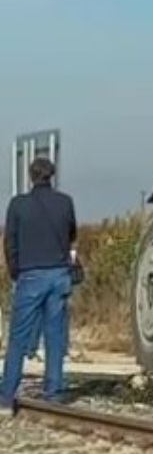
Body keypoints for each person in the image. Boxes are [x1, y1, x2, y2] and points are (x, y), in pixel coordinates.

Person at [0, 157, 77, 412]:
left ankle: (7, 396)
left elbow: (9, 242)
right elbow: (71, 234)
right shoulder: (65, 202)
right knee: (55, 336)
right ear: (51, 175)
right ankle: (53, 393)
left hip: (30, 275)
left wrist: (15, 272)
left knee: (19, 338)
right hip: (59, 275)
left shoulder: (18, 205)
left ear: (31, 176)